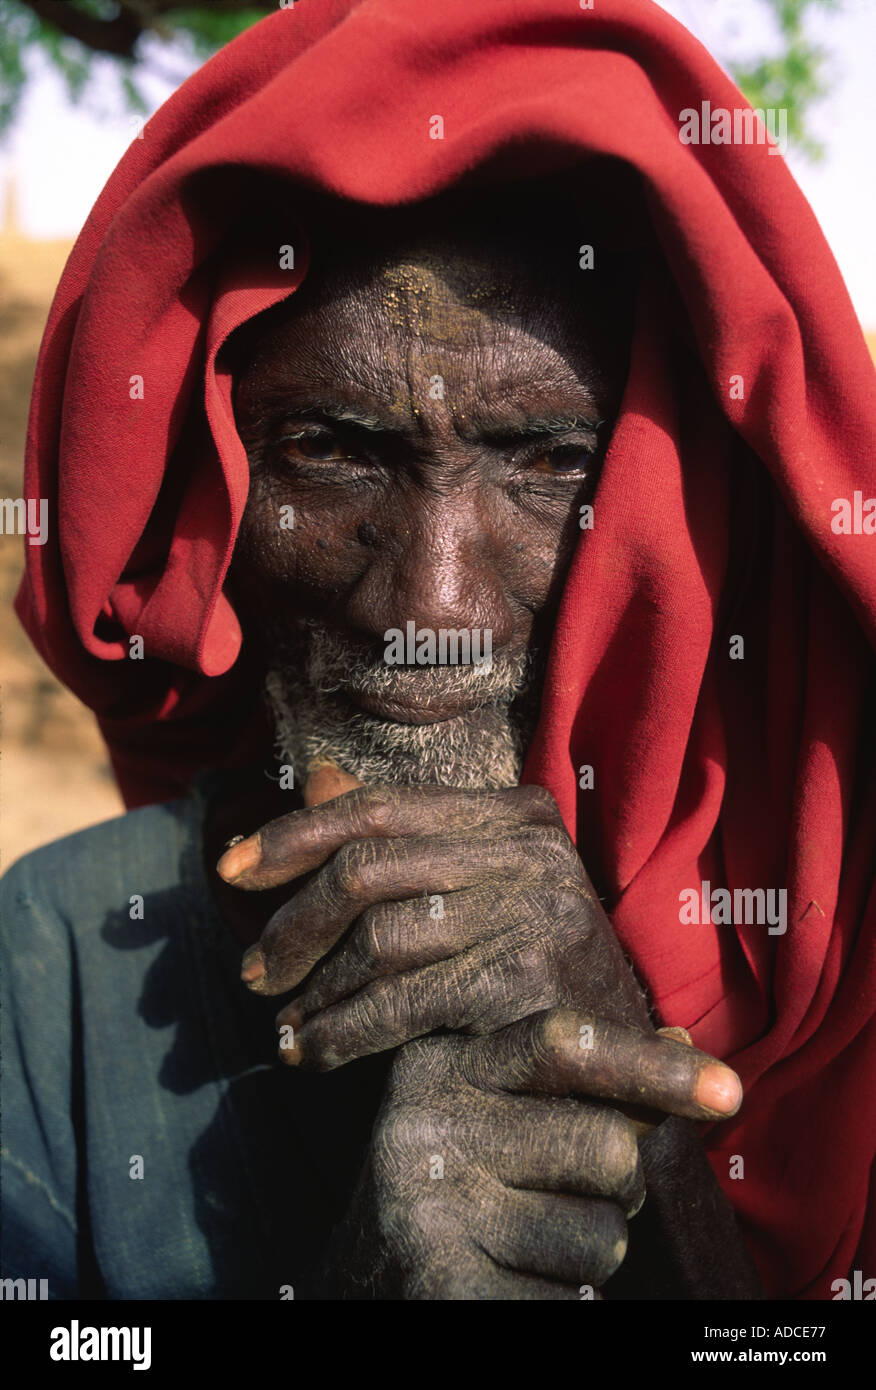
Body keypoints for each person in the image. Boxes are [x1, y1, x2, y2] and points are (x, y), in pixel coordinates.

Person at [2, 0, 874, 1302]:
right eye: (334, 449)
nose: (432, 598)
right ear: (213, 491)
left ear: (661, 504)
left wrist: (630, 1098)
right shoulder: (60, 961)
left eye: (545, 462)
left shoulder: (814, 963)